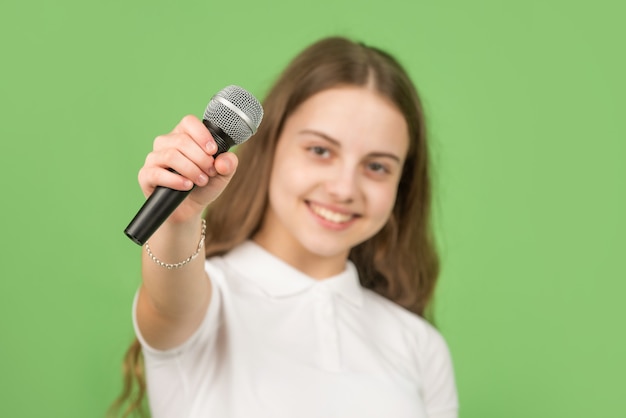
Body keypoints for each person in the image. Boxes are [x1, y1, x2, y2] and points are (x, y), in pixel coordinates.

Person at [112, 36, 458, 418]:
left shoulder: (420, 345)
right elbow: (169, 305)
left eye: (377, 167)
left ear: (401, 184)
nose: (344, 188)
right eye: (320, 150)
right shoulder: (208, 304)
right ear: (270, 147)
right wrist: (179, 219)